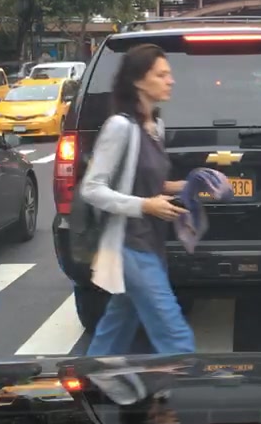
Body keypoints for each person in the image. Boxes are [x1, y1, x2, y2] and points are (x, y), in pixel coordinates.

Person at [80, 43, 195, 356]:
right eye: (161, 75)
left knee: (116, 327)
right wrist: (144, 205)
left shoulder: (155, 126)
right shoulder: (120, 127)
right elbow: (92, 188)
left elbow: (148, 182)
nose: (170, 80)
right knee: (175, 335)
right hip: (130, 245)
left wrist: (186, 186)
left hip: (151, 243)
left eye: (169, 74)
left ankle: (94, 378)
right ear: (138, 80)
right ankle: (182, 385)